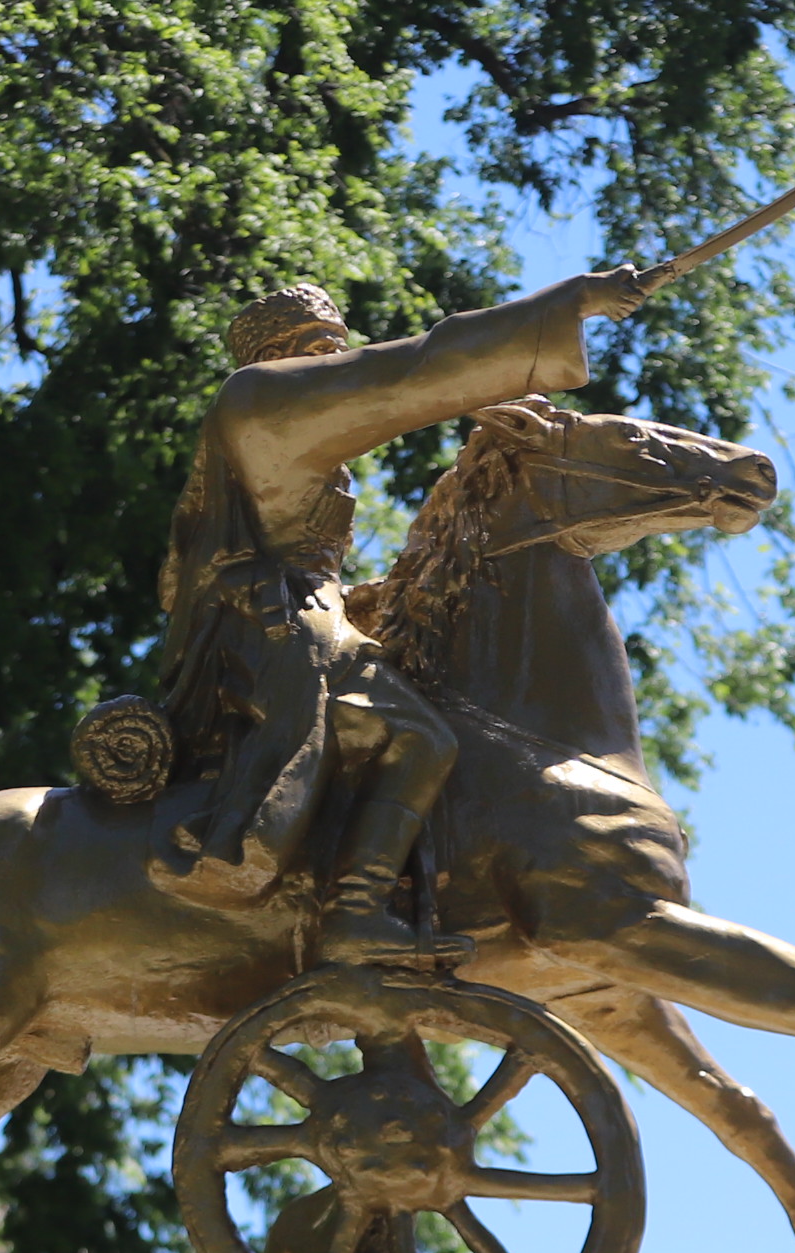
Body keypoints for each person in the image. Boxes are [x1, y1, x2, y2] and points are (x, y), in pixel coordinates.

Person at [152, 267, 650, 954]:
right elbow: (416, 370)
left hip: (302, 613)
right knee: (419, 737)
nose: (338, 361)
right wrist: (572, 302)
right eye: (321, 346)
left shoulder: (292, 430)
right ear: (276, 353)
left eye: (338, 344)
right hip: (269, 627)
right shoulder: (258, 399)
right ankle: (353, 915)